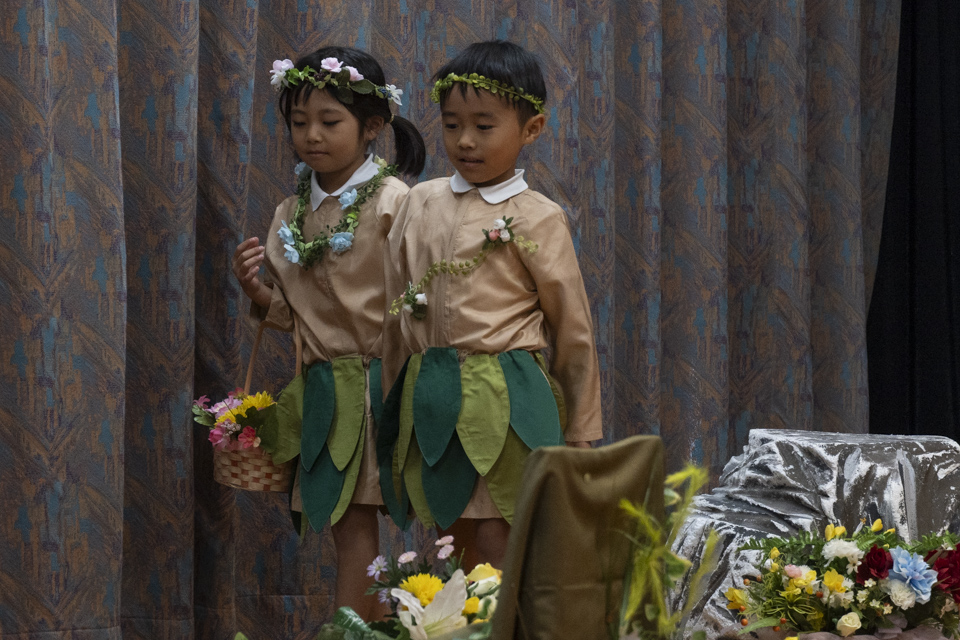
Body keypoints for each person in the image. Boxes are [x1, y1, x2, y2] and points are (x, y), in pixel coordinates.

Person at [379, 40, 602, 569]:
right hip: (433, 395)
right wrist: (392, 404)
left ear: (532, 129)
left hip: (510, 399)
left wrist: (580, 433)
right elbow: (394, 314)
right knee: (450, 540)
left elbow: (572, 328)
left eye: (484, 125)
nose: (465, 141)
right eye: (452, 125)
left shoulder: (538, 216)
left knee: (505, 541)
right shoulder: (420, 202)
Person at [231, 45, 424, 619]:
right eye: (298, 122)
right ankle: (373, 626)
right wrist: (258, 293)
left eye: (329, 121)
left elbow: (419, 303)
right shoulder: (290, 211)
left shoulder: (394, 202)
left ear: (373, 126)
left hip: (379, 381)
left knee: (360, 528)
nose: (311, 135)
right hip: (323, 388)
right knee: (346, 527)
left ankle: (371, 628)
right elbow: (296, 317)